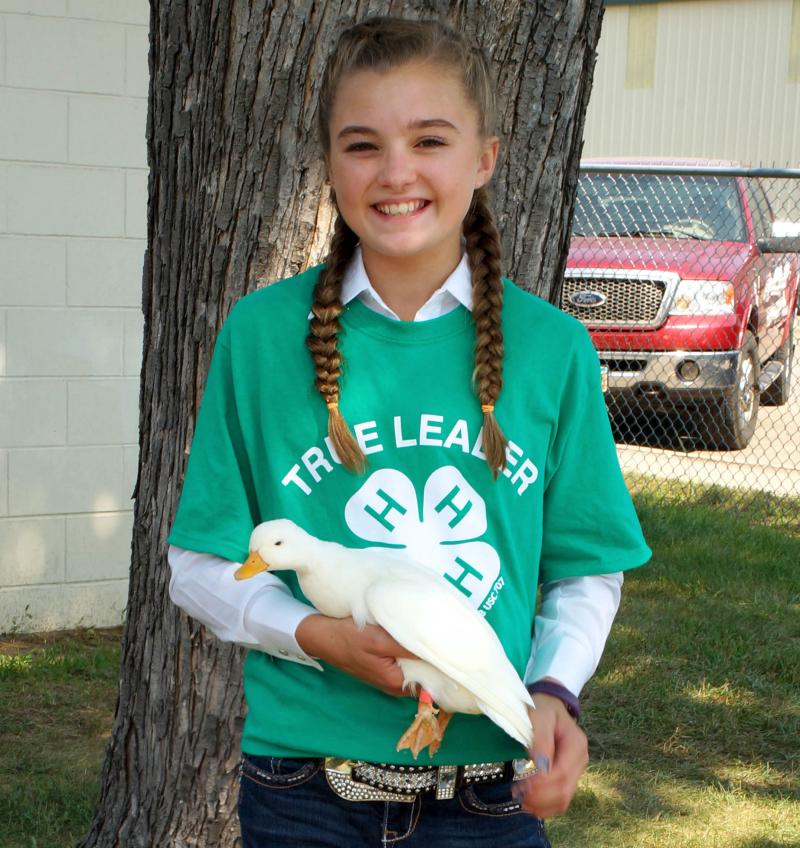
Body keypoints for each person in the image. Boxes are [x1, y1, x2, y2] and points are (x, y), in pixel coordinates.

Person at [166, 16, 651, 847]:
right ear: (328, 164)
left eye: (430, 139)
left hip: (488, 795)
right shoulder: (258, 336)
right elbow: (198, 564)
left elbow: (586, 569)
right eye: (362, 146)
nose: (396, 173)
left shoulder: (554, 349)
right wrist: (314, 634)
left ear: (485, 158)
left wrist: (554, 690)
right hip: (302, 789)